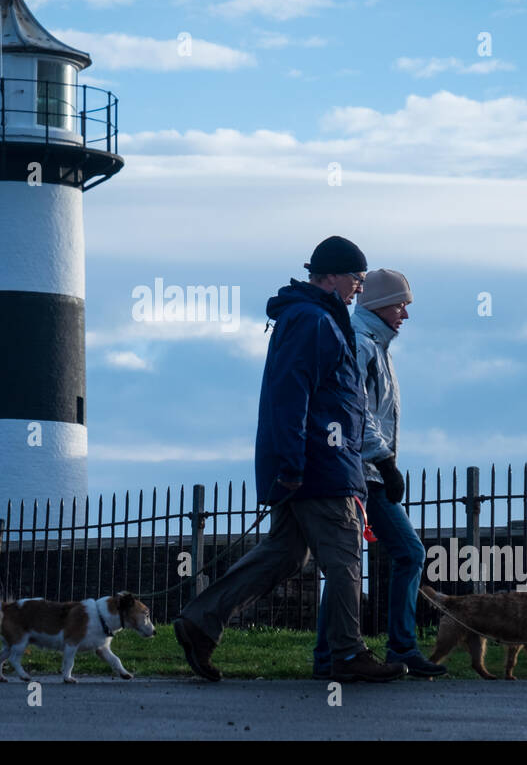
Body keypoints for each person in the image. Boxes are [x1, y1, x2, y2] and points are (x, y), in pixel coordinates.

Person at [173, 237, 407, 683]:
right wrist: (293, 463)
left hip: (312, 464)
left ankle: (201, 620)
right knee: (342, 558)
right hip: (322, 467)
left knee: (282, 554)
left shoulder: (311, 317)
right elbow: (291, 395)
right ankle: (347, 654)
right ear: (333, 276)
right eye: (356, 279)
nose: (359, 287)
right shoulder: (314, 320)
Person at [312, 269, 448, 678]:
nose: (405, 313)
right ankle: (397, 648)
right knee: (401, 554)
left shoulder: (376, 346)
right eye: (400, 303)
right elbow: (359, 412)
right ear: (376, 304)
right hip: (362, 471)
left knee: (347, 565)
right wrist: (385, 462)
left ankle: (330, 656)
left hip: (364, 469)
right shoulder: (361, 344)